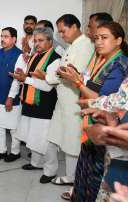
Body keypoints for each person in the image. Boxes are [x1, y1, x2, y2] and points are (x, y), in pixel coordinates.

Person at [59, 21, 128, 202]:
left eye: (104, 38)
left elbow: (111, 101)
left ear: (119, 40)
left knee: (99, 178)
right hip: (99, 123)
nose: (98, 42)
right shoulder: (105, 59)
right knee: (88, 173)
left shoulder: (120, 64)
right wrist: (79, 80)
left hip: (112, 131)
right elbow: (107, 96)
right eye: (96, 38)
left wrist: (78, 83)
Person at [42, 14, 94, 190]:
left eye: (63, 31)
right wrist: (56, 74)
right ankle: (53, 170)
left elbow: (70, 73)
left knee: (72, 141)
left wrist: (53, 75)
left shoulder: (85, 45)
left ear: (74, 27)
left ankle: (72, 177)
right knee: (55, 136)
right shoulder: (72, 46)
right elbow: (61, 72)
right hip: (63, 99)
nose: (61, 35)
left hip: (74, 101)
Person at [10, 27, 61, 183]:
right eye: (35, 41)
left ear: (50, 41)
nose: (37, 44)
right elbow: (29, 76)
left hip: (45, 105)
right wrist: (21, 75)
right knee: (32, 137)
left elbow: (47, 86)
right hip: (30, 103)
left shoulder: (55, 59)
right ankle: (36, 163)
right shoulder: (34, 55)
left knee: (45, 141)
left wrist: (25, 79)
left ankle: (50, 170)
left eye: (41, 41)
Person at [0, 27, 25, 161]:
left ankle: (15, 152)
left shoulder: (20, 55)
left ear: (14, 39)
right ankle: (1, 150)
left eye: (6, 36)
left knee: (13, 127)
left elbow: (17, 79)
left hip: (10, 97)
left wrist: (10, 97)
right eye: (1, 36)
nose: (2, 39)